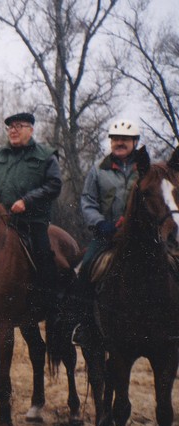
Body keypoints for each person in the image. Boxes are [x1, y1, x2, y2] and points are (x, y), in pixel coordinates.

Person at [0, 112, 62, 315]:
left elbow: (54, 184)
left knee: (43, 255)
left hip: (31, 221)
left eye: (19, 126)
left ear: (31, 130)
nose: (13, 130)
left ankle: (47, 304)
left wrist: (27, 201)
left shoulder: (46, 155)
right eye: (10, 127)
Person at [73, 119, 143, 345]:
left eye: (125, 139)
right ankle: (84, 327)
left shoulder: (145, 170)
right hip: (107, 236)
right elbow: (87, 201)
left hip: (142, 238)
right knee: (85, 270)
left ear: (135, 142)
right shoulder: (97, 170)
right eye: (115, 139)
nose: (119, 143)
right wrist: (101, 223)